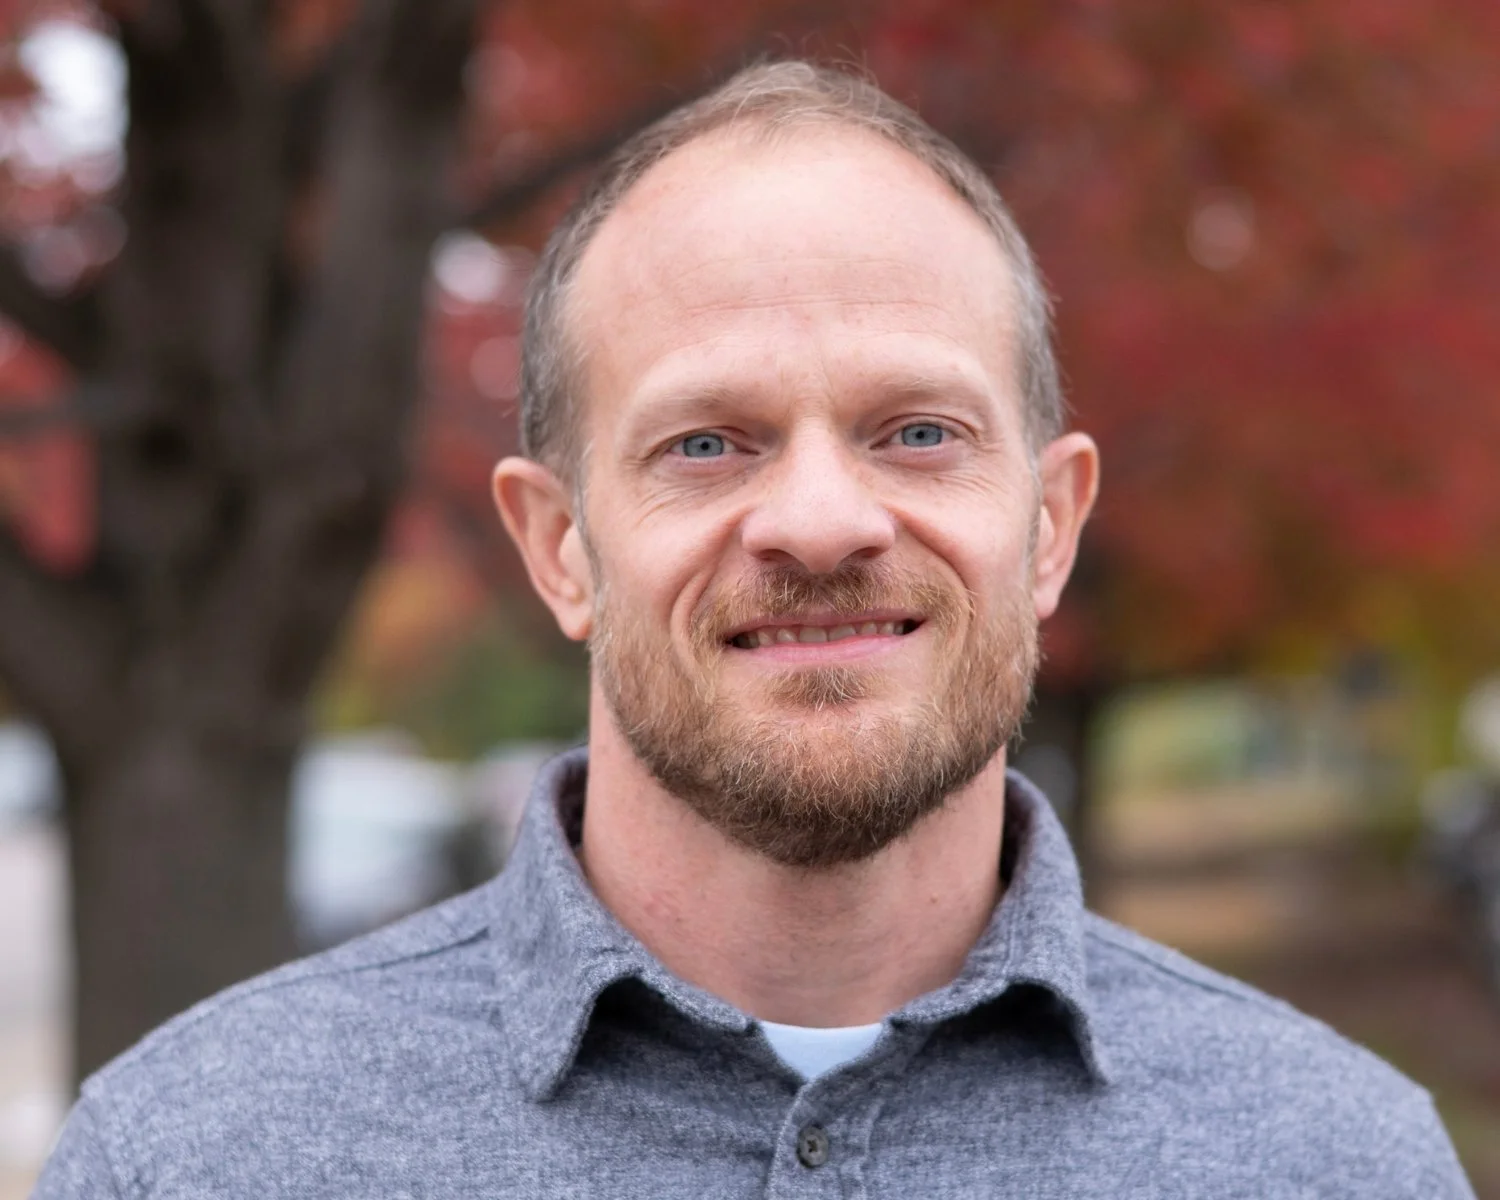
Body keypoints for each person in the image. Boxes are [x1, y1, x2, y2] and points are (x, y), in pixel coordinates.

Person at [36, 61, 1473, 1198]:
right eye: (709, 446)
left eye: (916, 431)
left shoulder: (1338, 1164)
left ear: (1049, 527)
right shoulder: (193, 1159)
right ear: (560, 548)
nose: (823, 523)